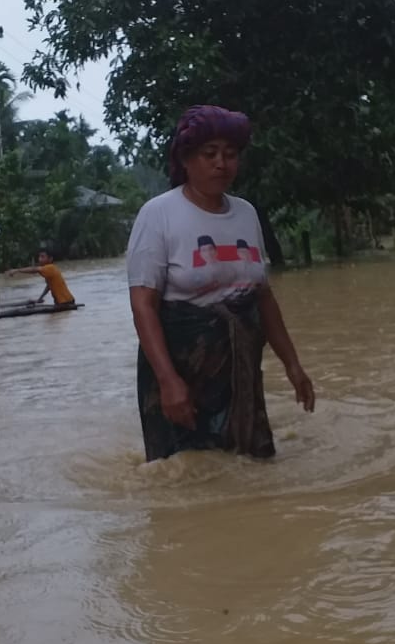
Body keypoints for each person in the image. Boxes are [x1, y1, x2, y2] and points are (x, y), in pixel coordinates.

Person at [126, 104, 315, 463]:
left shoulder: (245, 213)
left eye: (230, 155)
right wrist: (168, 380)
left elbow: (262, 296)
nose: (221, 164)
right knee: (182, 471)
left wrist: (293, 366)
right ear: (185, 159)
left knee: (251, 460)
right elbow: (143, 305)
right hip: (180, 364)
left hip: (239, 365)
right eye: (209, 154)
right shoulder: (158, 214)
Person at [7, 248, 75, 305]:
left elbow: (34, 269)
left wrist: (17, 270)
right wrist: (39, 299)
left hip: (66, 303)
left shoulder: (50, 268)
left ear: (50, 259)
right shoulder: (49, 271)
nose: (39, 259)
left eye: (42, 257)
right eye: (39, 257)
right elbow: (49, 286)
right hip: (64, 303)